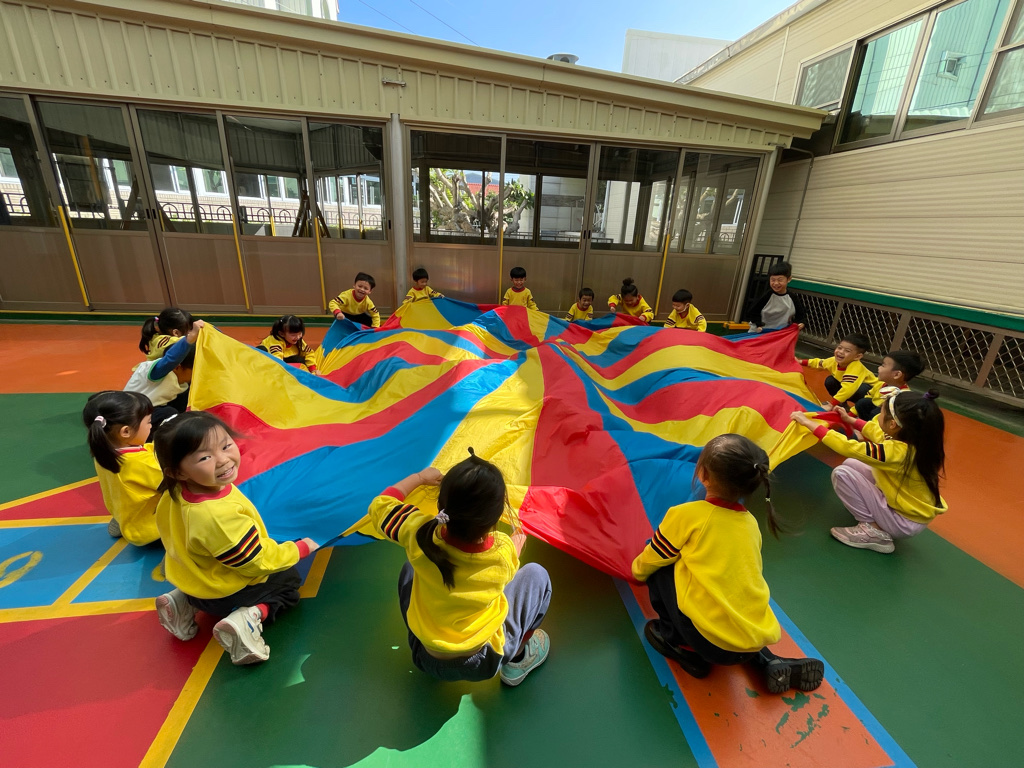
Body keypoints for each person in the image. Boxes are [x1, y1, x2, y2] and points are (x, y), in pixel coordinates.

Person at [632, 434, 823, 693]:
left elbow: (653, 556)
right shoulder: (750, 524)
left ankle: (680, 646)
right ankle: (768, 660)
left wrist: (637, 571)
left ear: (703, 474)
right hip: (753, 638)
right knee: (732, 588)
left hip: (709, 644)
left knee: (662, 566)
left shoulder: (686, 515)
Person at [367, 449, 551, 685]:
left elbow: (380, 504)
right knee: (537, 575)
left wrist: (420, 478)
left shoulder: (417, 532)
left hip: (424, 655)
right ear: (495, 518)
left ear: (442, 505)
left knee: (409, 570)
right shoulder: (503, 552)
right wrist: (517, 545)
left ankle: (435, 646)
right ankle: (518, 659)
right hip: (483, 663)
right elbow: (511, 566)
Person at [152, 411, 319, 664]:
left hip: (193, 579)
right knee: (287, 581)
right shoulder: (218, 516)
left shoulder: (174, 492)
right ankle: (247, 619)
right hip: (225, 592)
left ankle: (183, 601)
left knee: (211, 574)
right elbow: (255, 561)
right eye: (205, 457)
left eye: (225, 446)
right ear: (178, 472)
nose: (223, 460)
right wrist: (298, 550)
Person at [790, 389, 947, 555]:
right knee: (852, 464)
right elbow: (877, 433)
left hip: (902, 521)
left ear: (893, 424)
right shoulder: (913, 442)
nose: (878, 415)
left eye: (882, 412)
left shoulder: (898, 452)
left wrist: (809, 424)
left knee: (842, 474)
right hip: (905, 510)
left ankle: (873, 532)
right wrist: (850, 420)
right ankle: (875, 516)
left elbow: (848, 447)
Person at [83, 390, 161, 544]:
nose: (151, 426)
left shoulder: (104, 453)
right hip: (153, 531)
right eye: (148, 422)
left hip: (127, 514)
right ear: (126, 431)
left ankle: (124, 520)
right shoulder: (139, 463)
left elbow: (147, 451)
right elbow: (176, 482)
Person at [125, 320, 204, 431]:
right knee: (169, 413)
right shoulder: (158, 371)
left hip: (149, 409)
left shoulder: (182, 380)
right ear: (177, 367)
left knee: (188, 399)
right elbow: (171, 359)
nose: (198, 374)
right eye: (195, 370)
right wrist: (189, 339)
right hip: (131, 416)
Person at [799, 333, 878, 409]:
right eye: (839, 348)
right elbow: (820, 363)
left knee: (861, 389)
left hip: (873, 394)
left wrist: (831, 404)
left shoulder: (855, 367)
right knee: (830, 381)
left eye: (847, 351)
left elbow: (848, 390)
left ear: (857, 356)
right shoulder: (834, 361)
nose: (841, 352)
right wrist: (801, 362)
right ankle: (842, 405)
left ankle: (861, 411)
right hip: (852, 389)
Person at [854, 350, 924, 421]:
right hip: (873, 416)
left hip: (883, 423)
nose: (879, 367)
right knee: (863, 403)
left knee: (877, 412)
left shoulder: (902, 396)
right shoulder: (881, 384)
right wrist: (852, 414)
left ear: (897, 374)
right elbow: (869, 396)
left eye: (883, 366)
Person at [743, 262, 805, 332]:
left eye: (780, 280)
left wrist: (800, 323)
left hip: (781, 333)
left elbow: (801, 314)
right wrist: (758, 324)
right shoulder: (766, 296)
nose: (776, 283)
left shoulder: (793, 297)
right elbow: (753, 312)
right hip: (761, 331)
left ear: (789, 279)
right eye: (773, 280)